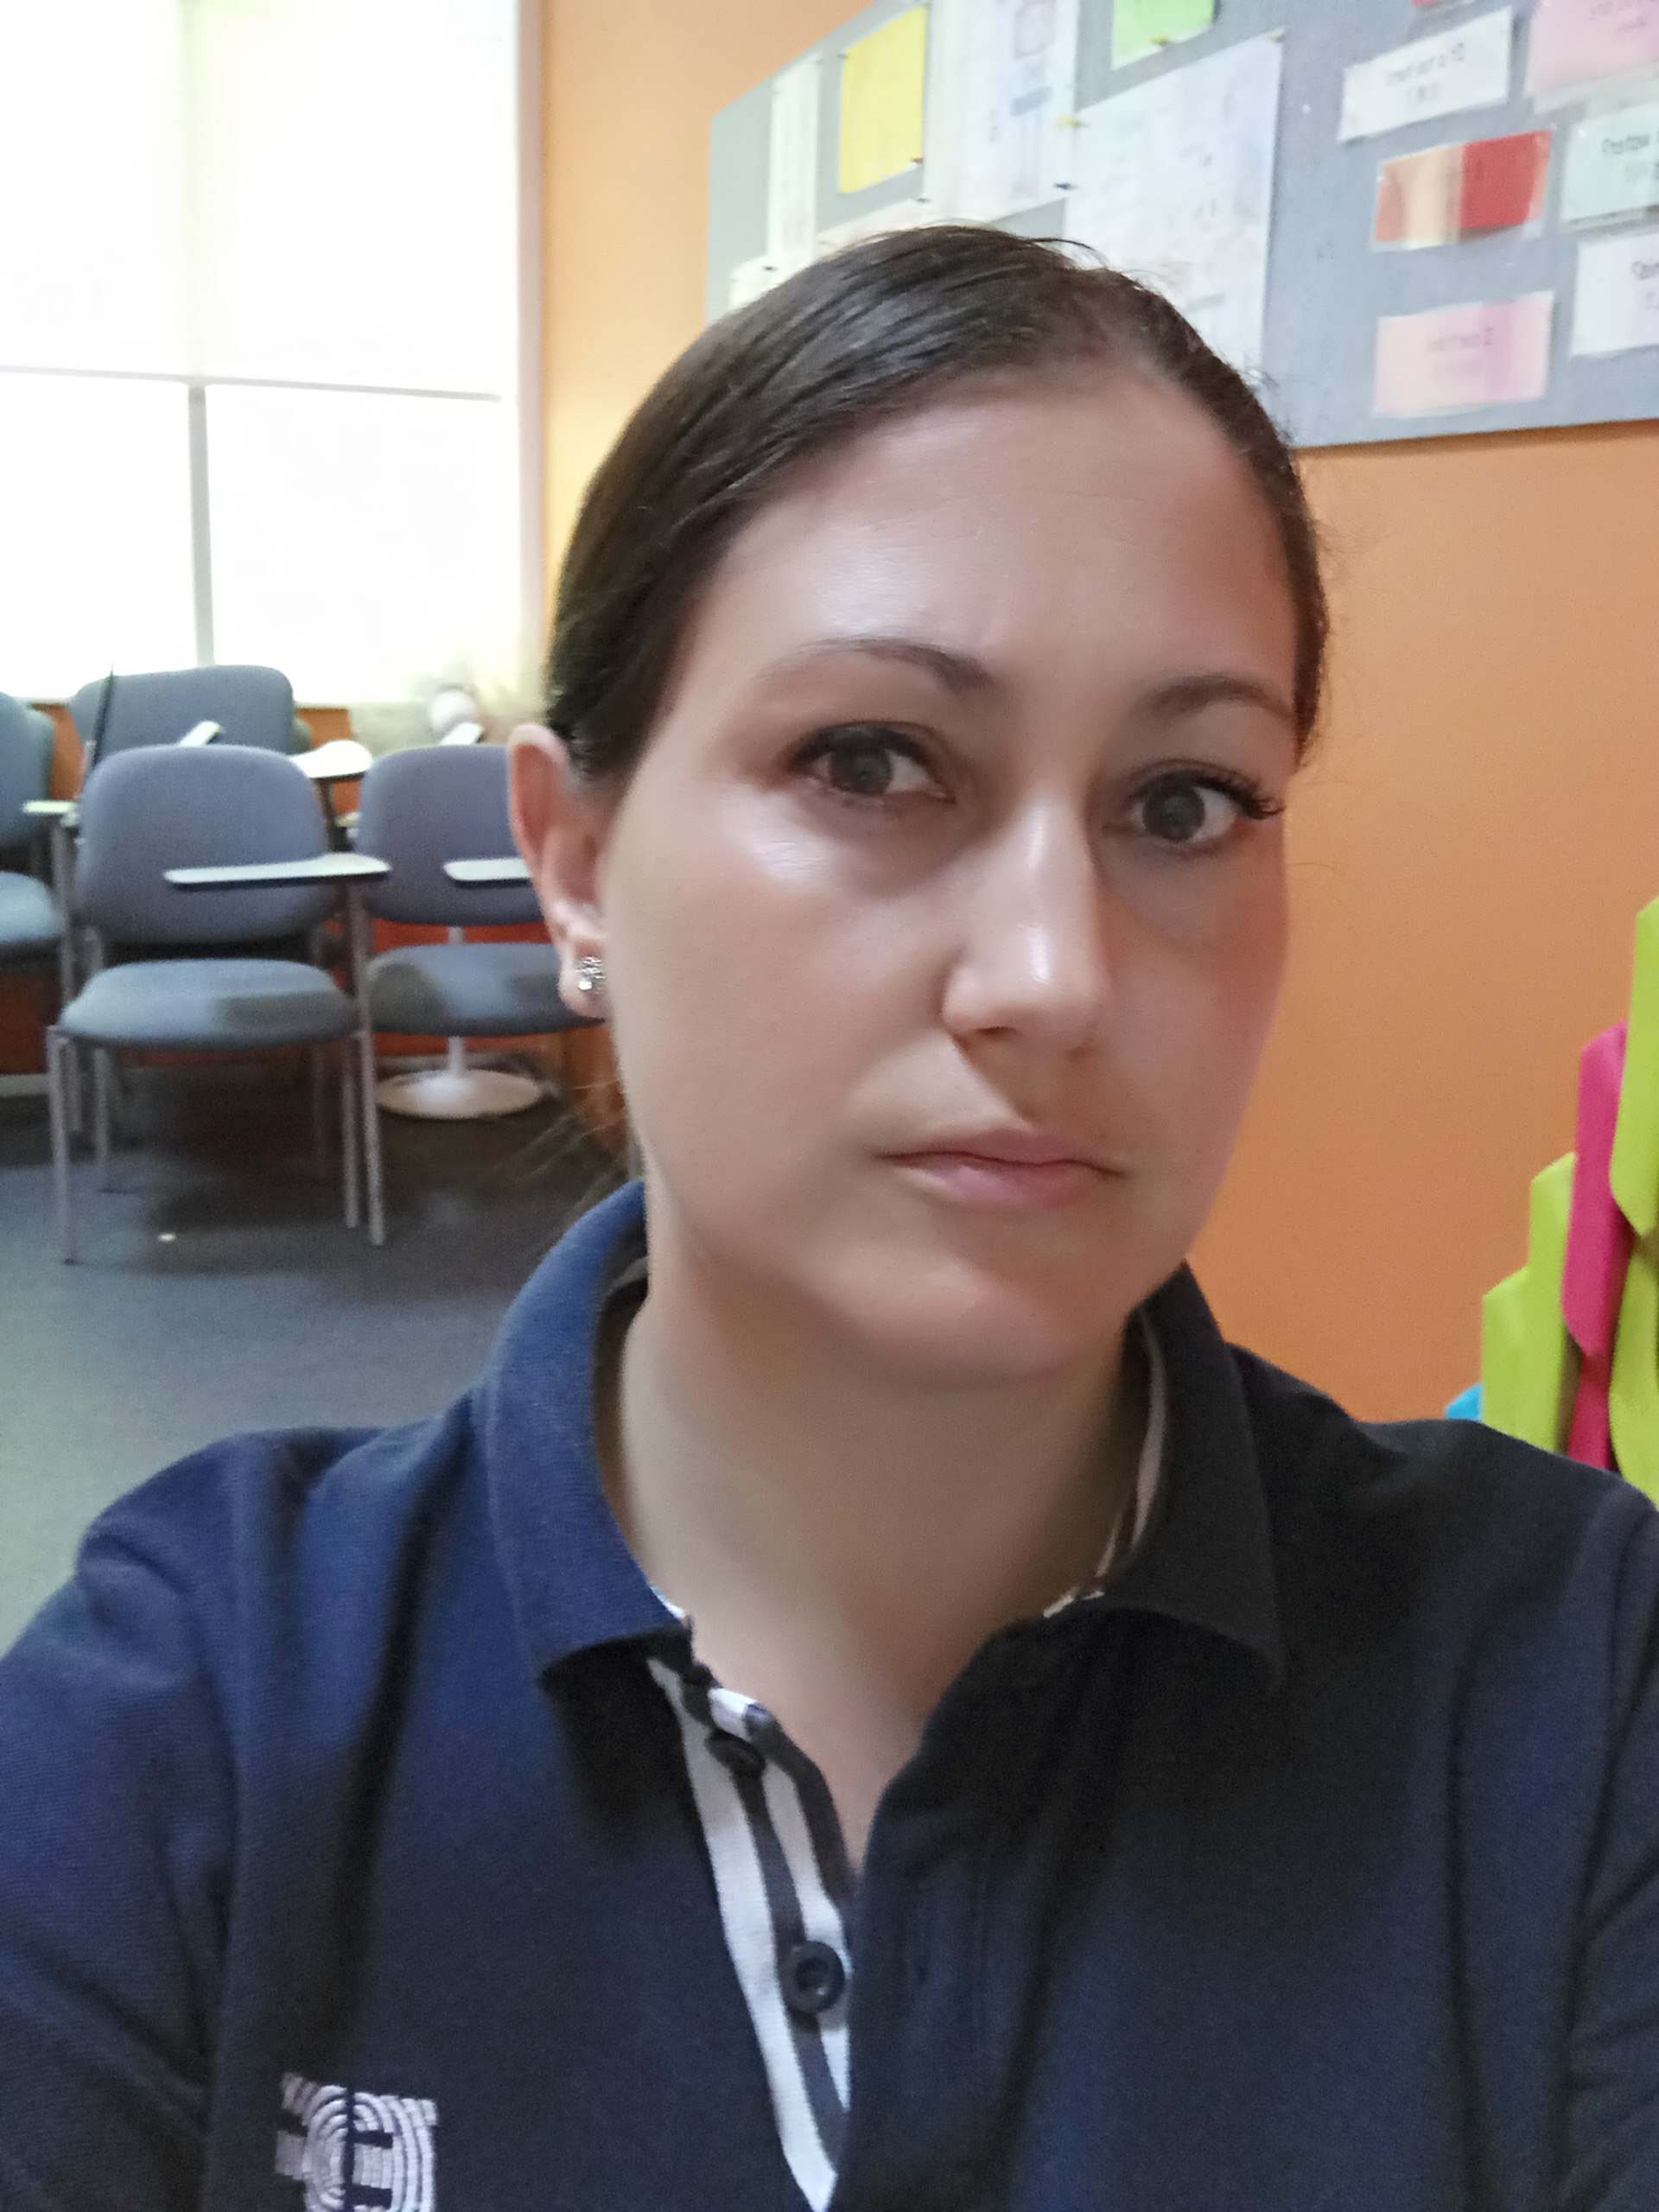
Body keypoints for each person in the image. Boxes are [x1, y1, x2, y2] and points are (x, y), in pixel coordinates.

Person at [1, 226, 1656, 2212]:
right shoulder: (200, 1703)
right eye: (872, 761)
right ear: (574, 856)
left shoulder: (1566, 1676)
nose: (1054, 975)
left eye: (1185, 801)